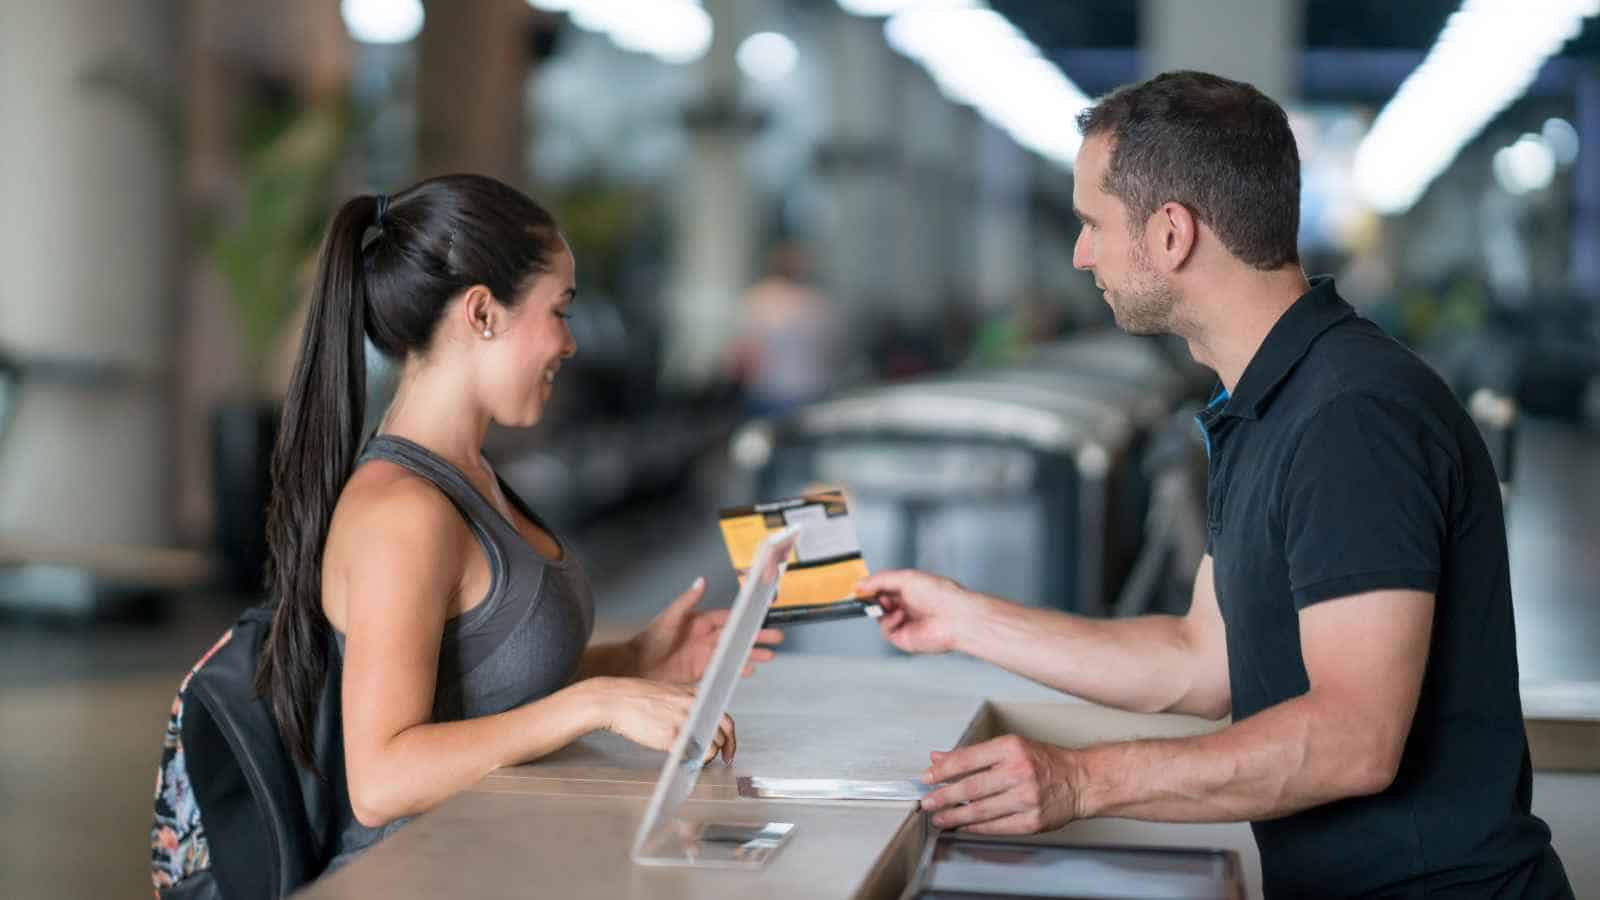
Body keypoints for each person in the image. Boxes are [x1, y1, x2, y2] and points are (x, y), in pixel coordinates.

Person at [857, 72, 1571, 898]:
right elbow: (1199, 663)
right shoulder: (1263, 403)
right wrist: (964, 618)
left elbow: (1353, 737)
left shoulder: (1353, 418)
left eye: (1093, 223)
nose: (1082, 252)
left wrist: (1079, 782)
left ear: (1170, 234)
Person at [255, 174, 782, 867]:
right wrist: (594, 701)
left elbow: (471, 691)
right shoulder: (403, 513)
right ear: (482, 314)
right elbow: (382, 780)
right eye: (558, 310)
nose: (568, 343)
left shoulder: (472, 477)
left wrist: (632, 663)